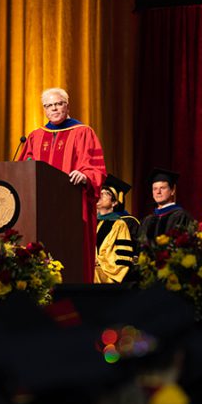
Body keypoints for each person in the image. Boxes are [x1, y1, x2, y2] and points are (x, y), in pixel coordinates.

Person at [17, 87, 107, 283]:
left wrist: (85, 176)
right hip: (41, 209)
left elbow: (96, 168)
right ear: (44, 109)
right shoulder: (35, 136)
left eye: (58, 104)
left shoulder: (83, 132)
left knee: (72, 256)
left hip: (73, 205)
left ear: (67, 106)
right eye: (49, 106)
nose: (54, 109)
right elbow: (23, 167)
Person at [94, 176, 135, 284]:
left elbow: (123, 256)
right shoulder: (91, 222)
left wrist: (99, 261)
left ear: (114, 203)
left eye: (106, 193)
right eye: (100, 192)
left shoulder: (119, 224)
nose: (101, 195)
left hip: (107, 275)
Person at [138, 168, 195, 241]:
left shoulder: (181, 216)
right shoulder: (147, 220)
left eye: (162, 188)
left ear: (172, 190)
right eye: (155, 189)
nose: (158, 192)